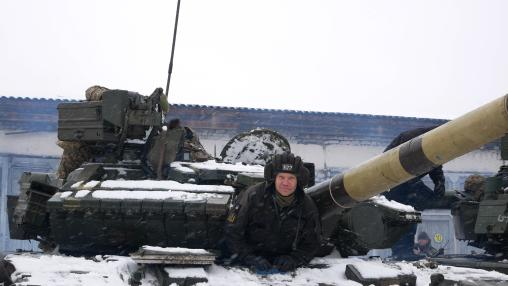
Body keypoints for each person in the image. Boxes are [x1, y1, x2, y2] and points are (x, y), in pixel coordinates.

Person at [224, 152, 321, 272]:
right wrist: (248, 257)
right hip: (247, 265)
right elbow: (232, 231)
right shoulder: (253, 196)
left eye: (291, 178)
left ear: (298, 181)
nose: (285, 183)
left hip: (283, 268)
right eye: (281, 177)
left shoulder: (306, 205)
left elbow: (312, 243)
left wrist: (294, 259)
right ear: (274, 178)